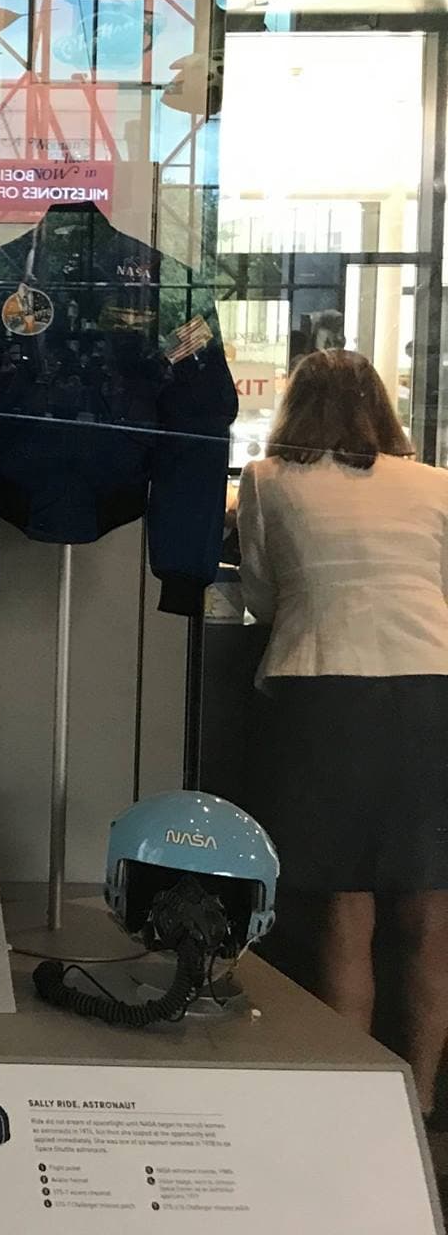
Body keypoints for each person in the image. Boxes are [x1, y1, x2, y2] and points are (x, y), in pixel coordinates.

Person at [236, 348, 448, 1125]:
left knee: (345, 909)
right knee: (430, 912)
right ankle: (421, 1099)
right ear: (383, 409)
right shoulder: (436, 484)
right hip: (433, 689)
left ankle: (356, 1107)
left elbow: (261, 595)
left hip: (322, 690)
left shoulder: (266, 481)